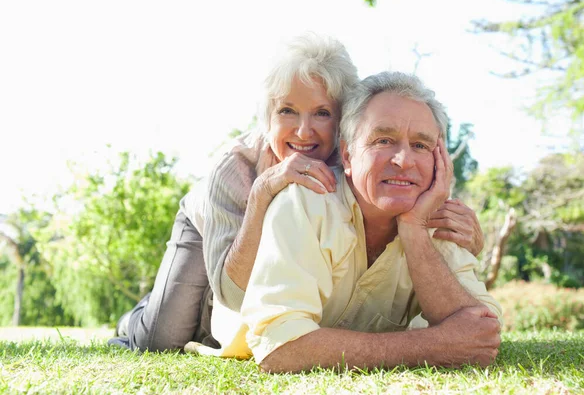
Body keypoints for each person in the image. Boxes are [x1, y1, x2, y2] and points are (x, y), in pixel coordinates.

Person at [109, 34, 485, 352]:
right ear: (268, 117)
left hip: (258, 273)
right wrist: (263, 191)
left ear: (343, 123)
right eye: (287, 111)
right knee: (162, 335)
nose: (304, 133)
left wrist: (471, 236)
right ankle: (135, 318)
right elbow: (233, 296)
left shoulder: (355, 158)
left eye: (322, 113)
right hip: (208, 234)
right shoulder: (234, 170)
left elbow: (404, 174)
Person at [185, 71, 502, 372]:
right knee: (158, 334)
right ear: (348, 156)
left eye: (420, 145)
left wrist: (414, 231)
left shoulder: (438, 217)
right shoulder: (305, 201)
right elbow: (279, 347)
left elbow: (482, 333)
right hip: (217, 300)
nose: (404, 160)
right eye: (383, 140)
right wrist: (431, 346)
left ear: (439, 159)